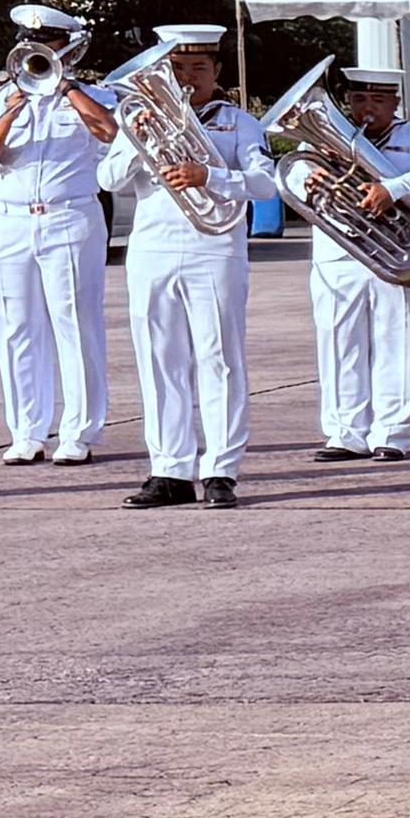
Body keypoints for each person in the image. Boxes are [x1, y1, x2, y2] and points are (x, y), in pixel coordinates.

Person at [105, 25, 270, 509]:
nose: (187, 77)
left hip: (214, 246)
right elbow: (109, 179)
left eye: (198, 68)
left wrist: (209, 175)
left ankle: (221, 469)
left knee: (220, 360)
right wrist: (135, 142)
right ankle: (169, 469)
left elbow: (264, 183)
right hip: (153, 248)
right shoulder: (139, 117)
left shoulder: (238, 123)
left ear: (216, 71)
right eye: (176, 69)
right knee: (159, 359)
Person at [0, 6, 112, 466]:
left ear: (69, 47)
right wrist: (12, 111)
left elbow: (111, 133)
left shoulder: (95, 95)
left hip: (70, 217)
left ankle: (79, 432)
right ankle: (26, 431)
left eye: (46, 44)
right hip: (10, 220)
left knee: (76, 325)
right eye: (29, 44)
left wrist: (66, 89)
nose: (35, 52)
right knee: (16, 327)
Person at [300, 65, 410, 461]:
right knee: (338, 344)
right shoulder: (323, 139)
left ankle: (393, 433)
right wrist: (309, 181)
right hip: (338, 253)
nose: (368, 108)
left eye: (378, 100)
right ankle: (344, 432)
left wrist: (391, 189)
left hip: (397, 253)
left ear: (395, 102)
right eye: (359, 98)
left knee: (399, 341)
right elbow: (294, 175)